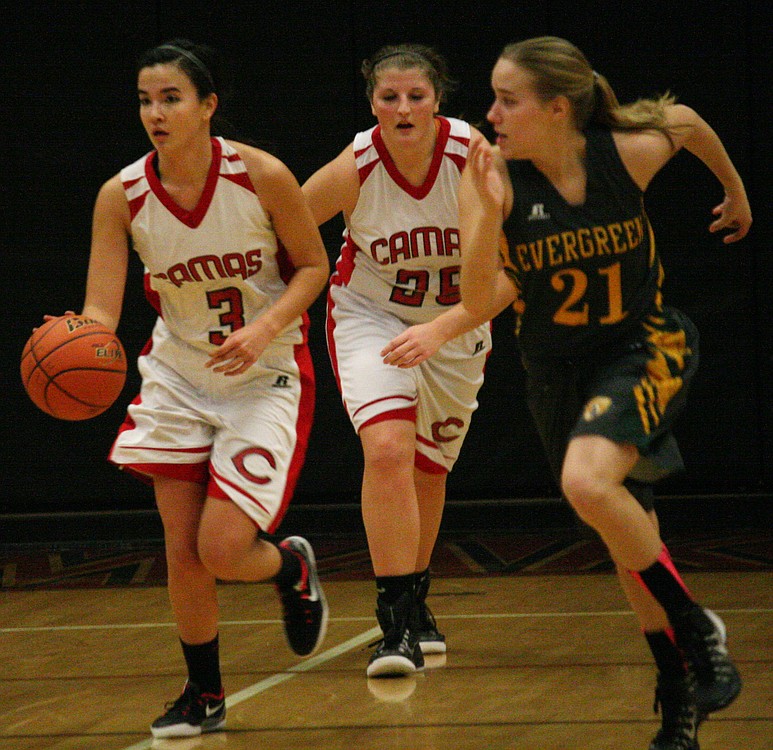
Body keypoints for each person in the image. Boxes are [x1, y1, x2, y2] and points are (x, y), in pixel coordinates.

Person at [458, 36, 750, 750]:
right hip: (556, 375)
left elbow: (685, 123)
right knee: (626, 535)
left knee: (588, 487)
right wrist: (487, 216)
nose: (490, 113)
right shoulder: (491, 177)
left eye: (506, 98)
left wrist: (734, 191)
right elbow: (471, 296)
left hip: (641, 345)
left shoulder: (626, 154)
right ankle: (678, 697)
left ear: (557, 109)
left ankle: (693, 625)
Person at [49, 39, 331, 738]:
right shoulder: (121, 196)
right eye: (145, 100)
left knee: (223, 548)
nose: (155, 112)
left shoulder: (261, 175)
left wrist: (264, 328)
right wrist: (74, 340)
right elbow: (103, 311)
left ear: (208, 106)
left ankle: (288, 566)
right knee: (180, 546)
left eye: (170, 98)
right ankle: (203, 694)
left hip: (263, 375)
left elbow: (313, 267)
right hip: (178, 377)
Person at [302, 44, 494, 678]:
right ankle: (395, 626)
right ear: (372, 103)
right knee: (387, 450)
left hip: (458, 320)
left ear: (439, 99)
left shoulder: (473, 159)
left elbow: (496, 281)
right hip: (370, 314)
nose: (404, 107)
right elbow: (287, 229)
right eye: (390, 96)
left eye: (417, 95)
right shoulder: (357, 165)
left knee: (429, 472)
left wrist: (440, 330)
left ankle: (416, 601)